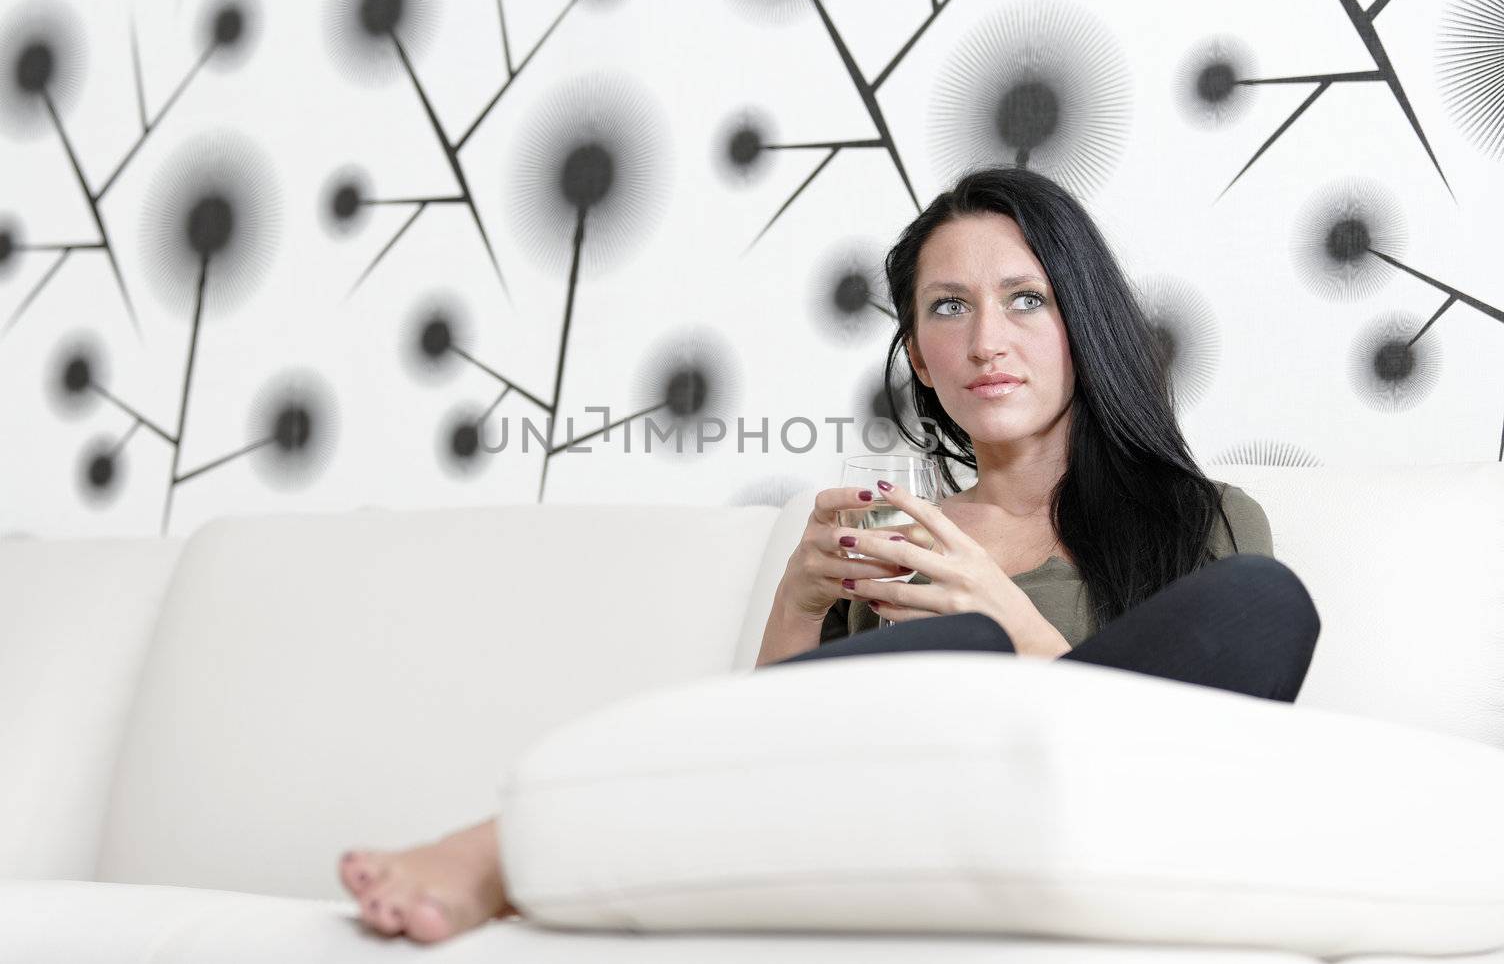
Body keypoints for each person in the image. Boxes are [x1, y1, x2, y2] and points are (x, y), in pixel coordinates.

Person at [335, 166, 1322, 945]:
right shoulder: (891, 540)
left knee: (1261, 601)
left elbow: (1205, 767)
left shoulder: (1203, 519)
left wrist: (1009, 622)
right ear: (919, 359)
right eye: (947, 308)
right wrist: (800, 602)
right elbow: (773, 763)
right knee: (933, 656)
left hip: (1105, 830)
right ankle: (511, 848)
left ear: (1082, 322)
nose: (985, 339)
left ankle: (517, 845)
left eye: (1025, 299)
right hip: (897, 839)